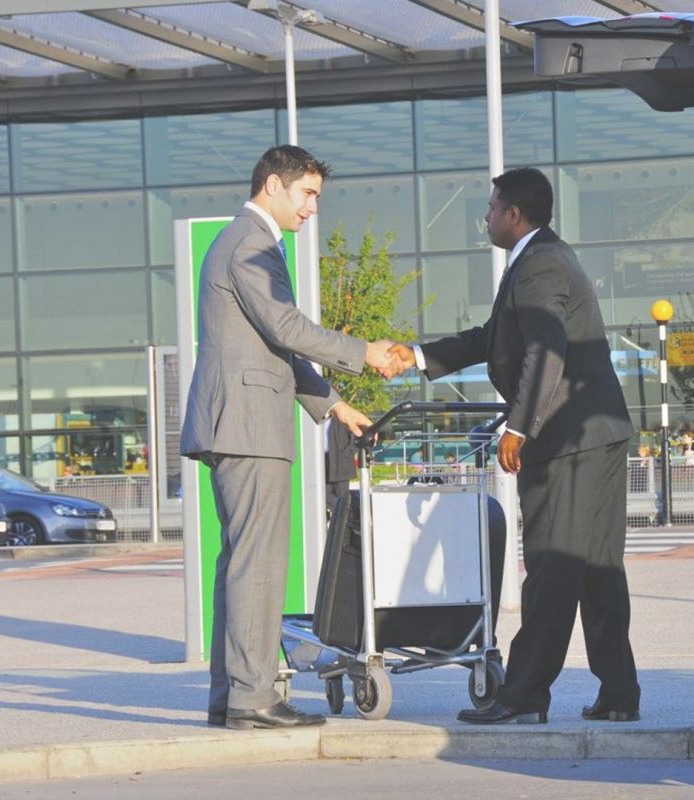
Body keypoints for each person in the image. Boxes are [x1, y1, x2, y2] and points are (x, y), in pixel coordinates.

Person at [388, 167, 639, 725]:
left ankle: (524, 694)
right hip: (593, 437)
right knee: (596, 568)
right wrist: (419, 355)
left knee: (552, 567)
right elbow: (493, 339)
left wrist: (519, 427)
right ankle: (619, 692)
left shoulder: (540, 263)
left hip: (567, 440)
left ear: (514, 215)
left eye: (492, 208)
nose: (486, 217)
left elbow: (544, 348)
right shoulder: (542, 258)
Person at [180, 144, 401, 731]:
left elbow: (271, 344)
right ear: (274, 185)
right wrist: (363, 353)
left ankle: (232, 696)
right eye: (307, 195)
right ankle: (253, 700)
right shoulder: (250, 243)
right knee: (258, 565)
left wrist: (333, 405)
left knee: (240, 565)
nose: (311, 210)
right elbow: (286, 327)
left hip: (240, 421)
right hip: (249, 426)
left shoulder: (240, 241)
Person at [323, 416, 358, 515]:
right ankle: (348, 516)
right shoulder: (316, 420)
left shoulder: (342, 418)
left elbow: (355, 437)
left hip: (342, 463)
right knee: (323, 494)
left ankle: (347, 517)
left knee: (342, 497)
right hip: (324, 462)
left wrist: (347, 453)